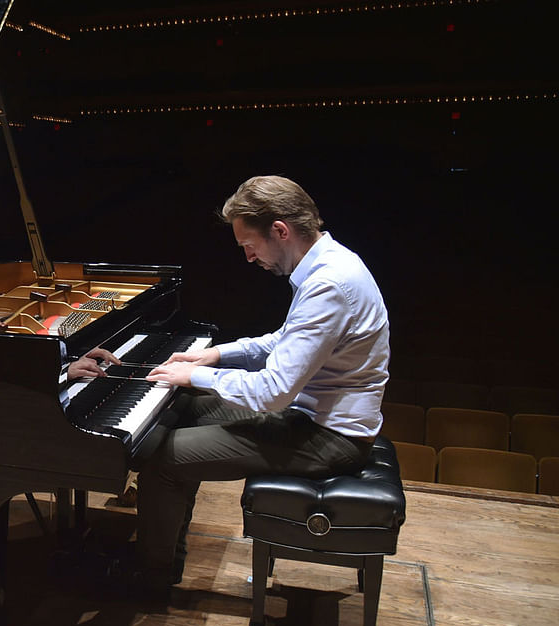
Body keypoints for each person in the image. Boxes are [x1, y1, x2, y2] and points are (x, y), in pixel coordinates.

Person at [134, 175, 390, 593]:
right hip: (307, 417)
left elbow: (272, 392)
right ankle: (162, 547)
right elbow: (284, 340)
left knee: (163, 460)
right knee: (182, 409)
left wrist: (196, 374)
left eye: (249, 246)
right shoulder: (329, 263)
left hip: (327, 437)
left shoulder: (329, 284)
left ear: (280, 231)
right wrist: (216, 355)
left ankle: (152, 578)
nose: (249, 259)